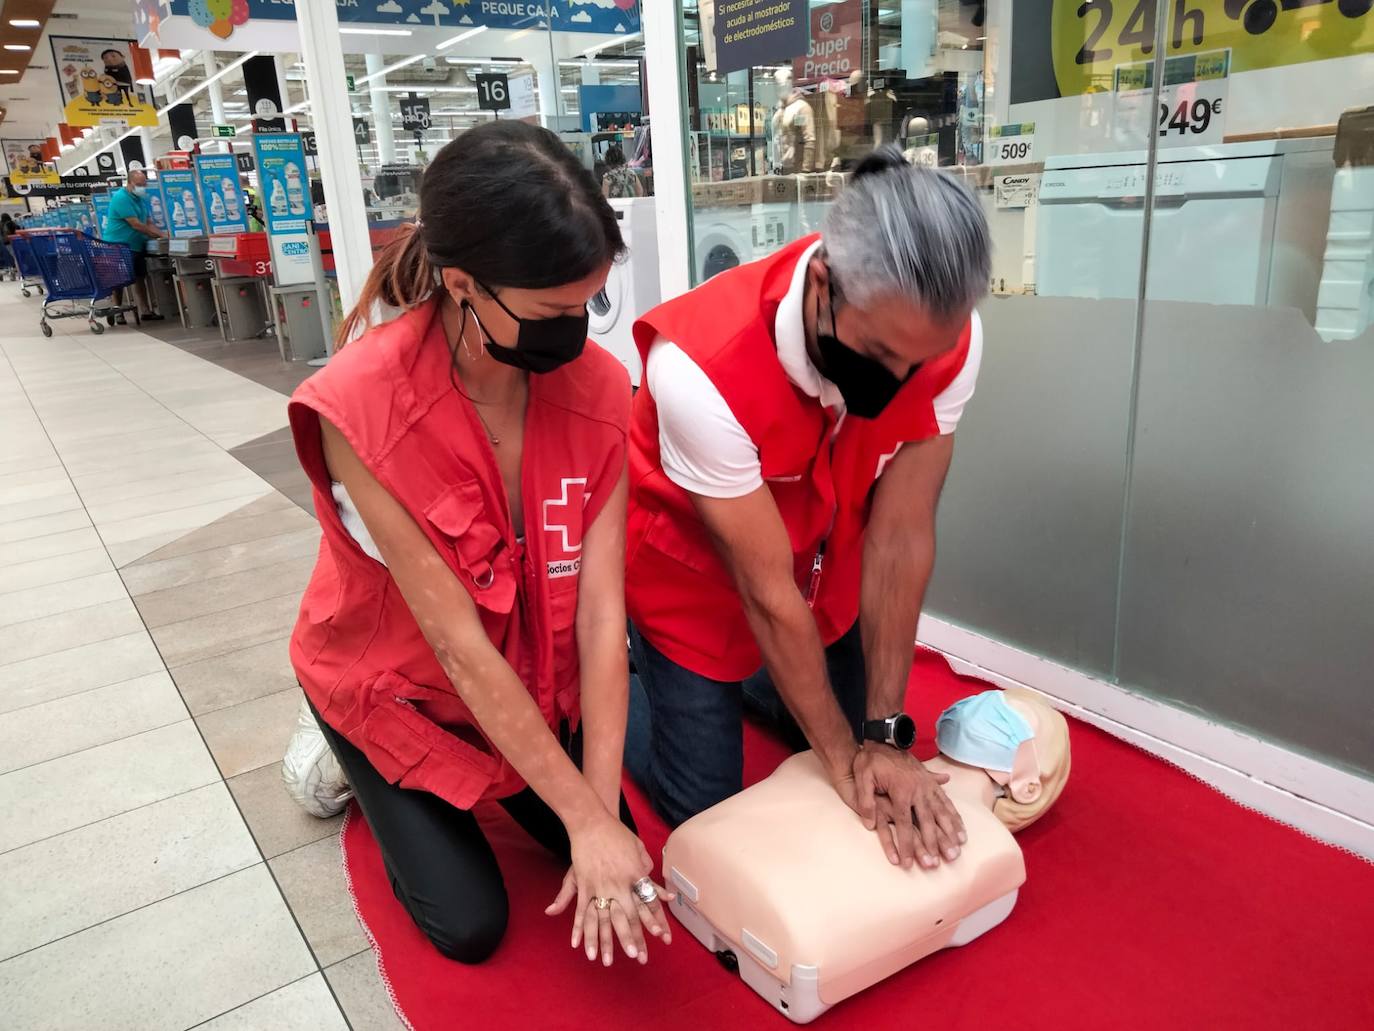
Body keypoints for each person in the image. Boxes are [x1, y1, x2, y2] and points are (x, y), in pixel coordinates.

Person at [279, 121, 672, 967]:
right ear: (461, 284)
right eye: (552, 311)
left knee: (609, 852)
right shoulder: (364, 409)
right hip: (400, 682)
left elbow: (606, 623)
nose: (576, 331)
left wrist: (595, 815)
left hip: (526, 678)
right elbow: (456, 647)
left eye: (590, 305)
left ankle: (505, 792)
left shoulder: (598, 390)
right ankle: (338, 754)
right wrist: (580, 817)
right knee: (469, 926)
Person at [624, 147, 992, 872]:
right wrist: (843, 758)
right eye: (883, 352)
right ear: (823, 284)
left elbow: (900, 535)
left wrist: (882, 736)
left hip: (817, 566)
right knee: (709, 807)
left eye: (922, 360)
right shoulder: (701, 369)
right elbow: (764, 597)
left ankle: (766, 686)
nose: (903, 380)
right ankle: (624, 678)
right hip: (689, 579)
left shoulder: (952, 337)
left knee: (853, 735)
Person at [101, 170, 166, 322]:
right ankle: (118, 312)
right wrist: (157, 235)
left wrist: (164, 235)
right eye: (138, 185)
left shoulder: (140, 199)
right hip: (118, 246)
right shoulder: (121, 198)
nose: (142, 187)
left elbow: (148, 222)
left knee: (139, 277)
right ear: (129, 183)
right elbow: (136, 224)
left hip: (136, 245)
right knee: (119, 280)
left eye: (144, 184)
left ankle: (145, 310)